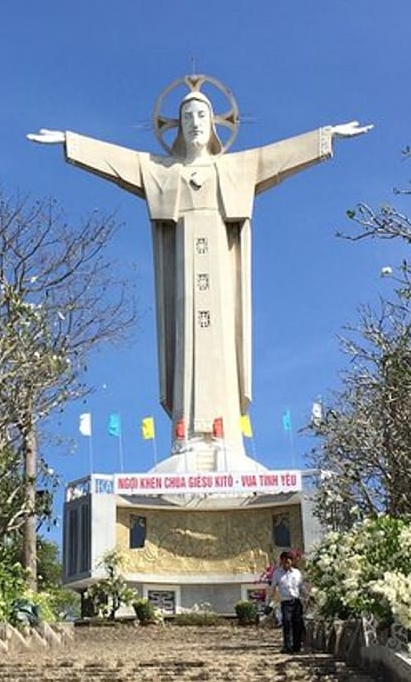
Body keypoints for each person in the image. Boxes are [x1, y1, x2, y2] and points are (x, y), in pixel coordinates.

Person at [28, 84, 369, 459]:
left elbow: (280, 156)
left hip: (221, 270)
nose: (194, 123)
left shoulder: (236, 167)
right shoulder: (162, 171)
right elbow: (117, 160)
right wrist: (70, 142)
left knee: (221, 344)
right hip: (183, 268)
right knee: (185, 342)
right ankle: (185, 436)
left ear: (215, 123)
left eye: (202, 115)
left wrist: (326, 137)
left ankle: (226, 439)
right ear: (176, 125)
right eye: (187, 116)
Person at [270, 549, 305, 653]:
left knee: (297, 624)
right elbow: (273, 589)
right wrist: (270, 604)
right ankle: (287, 646)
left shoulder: (297, 573)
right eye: (285, 561)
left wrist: (309, 596)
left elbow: (301, 587)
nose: (287, 563)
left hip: (296, 602)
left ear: (291, 561)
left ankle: (297, 646)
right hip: (286, 603)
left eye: (289, 561)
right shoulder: (277, 573)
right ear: (282, 561)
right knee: (287, 623)